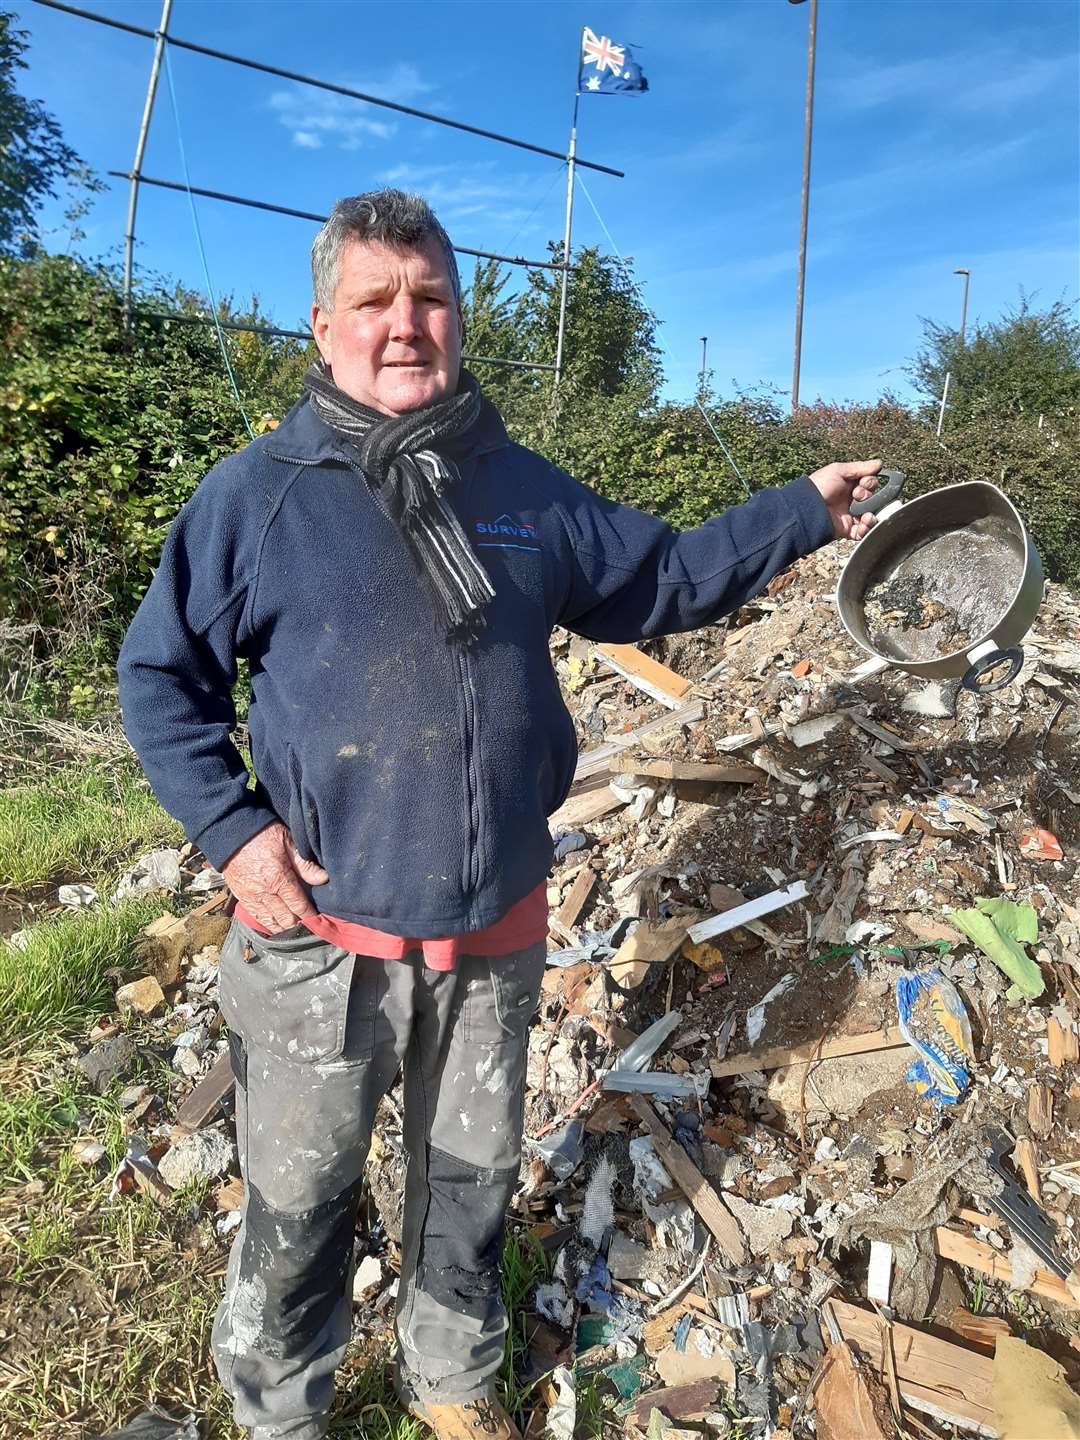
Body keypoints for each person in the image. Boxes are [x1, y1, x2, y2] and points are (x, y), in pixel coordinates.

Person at [117, 188, 880, 1440]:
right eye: (375, 301)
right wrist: (236, 834)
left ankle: (455, 1379)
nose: (405, 324)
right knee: (299, 1200)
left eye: (429, 299)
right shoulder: (257, 497)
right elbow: (161, 677)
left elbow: (663, 580)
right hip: (321, 939)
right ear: (323, 326)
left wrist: (800, 508)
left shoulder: (517, 485)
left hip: (496, 932)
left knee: (467, 1188)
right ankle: (281, 1412)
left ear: (459, 316)